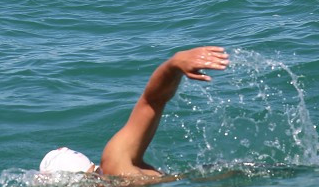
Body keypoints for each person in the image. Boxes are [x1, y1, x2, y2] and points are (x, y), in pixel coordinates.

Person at [38, 46, 230, 178]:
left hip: (216, 185)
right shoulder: (111, 178)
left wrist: (173, 65)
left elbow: (151, 101)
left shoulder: (114, 163)